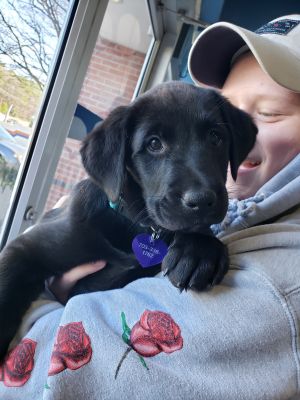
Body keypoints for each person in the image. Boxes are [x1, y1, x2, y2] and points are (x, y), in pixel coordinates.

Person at [1, 14, 300, 400]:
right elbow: (22, 256)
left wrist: (201, 242)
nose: (197, 189)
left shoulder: (278, 280)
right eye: (154, 145)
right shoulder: (85, 216)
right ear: (118, 163)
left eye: (215, 136)